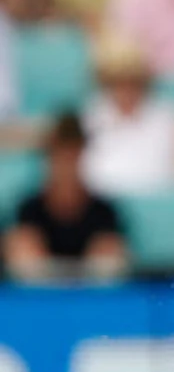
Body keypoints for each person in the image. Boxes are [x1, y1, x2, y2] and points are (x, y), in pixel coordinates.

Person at [4, 112, 127, 283]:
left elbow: (113, 259)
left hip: (91, 300)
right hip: (39, 300)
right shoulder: (29, 208)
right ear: (49, 158)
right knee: (21, 244)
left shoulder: (104, 211)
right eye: (60, 155)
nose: (66, 163)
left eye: (72, 155)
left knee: (110, 251)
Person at [79, 33, 174, 199]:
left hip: (163, 207)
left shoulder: (172, 115)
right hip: (102, 212)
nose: (125, 88)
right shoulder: (89, 116)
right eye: (117, 80)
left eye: (132, 78)